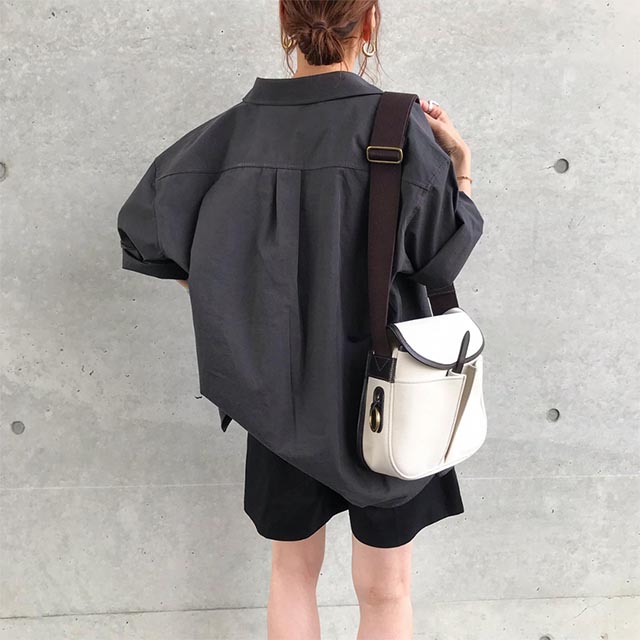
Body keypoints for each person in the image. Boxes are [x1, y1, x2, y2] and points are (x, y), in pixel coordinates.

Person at [116, 1, 484, 638]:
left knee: (291, 572)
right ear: (368, 23)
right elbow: (439, 259)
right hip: (394, 391)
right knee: (387, 589)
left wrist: (231, 300)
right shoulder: (399, 126)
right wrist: (462, 167)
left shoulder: (230, 136)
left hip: (276, 393)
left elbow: (144, 233)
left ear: (285, 20)